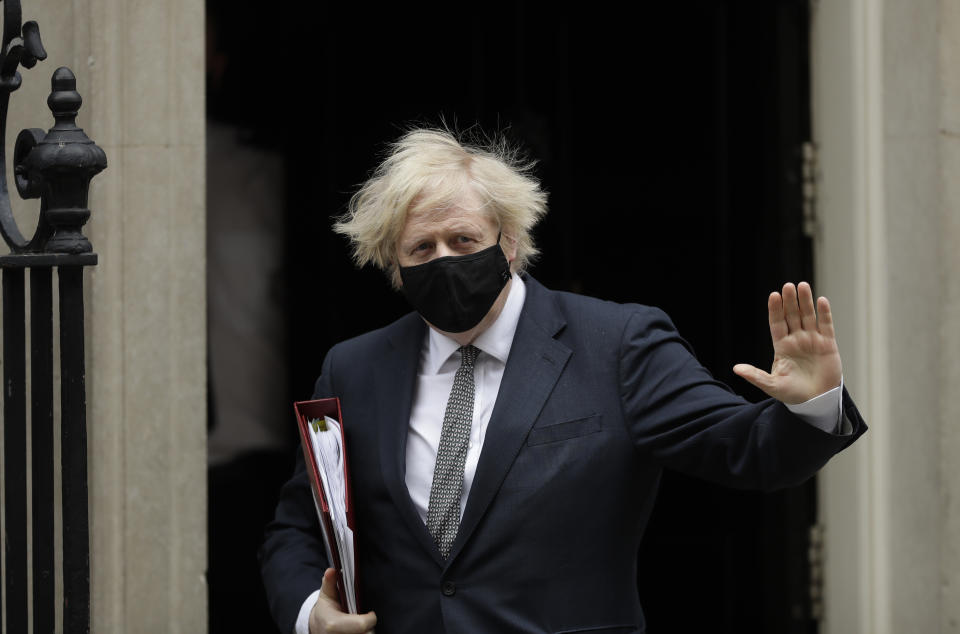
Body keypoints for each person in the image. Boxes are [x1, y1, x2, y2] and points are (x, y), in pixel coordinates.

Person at [259, 128, 867, 634]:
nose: (444, 259)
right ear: (394, 266)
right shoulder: (355, 367)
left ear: (511, 242)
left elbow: (748, 452)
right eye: (421, 248)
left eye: (464, 239)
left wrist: (812, 404)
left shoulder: (618, 344)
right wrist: (312, 614)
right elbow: (299, 525)